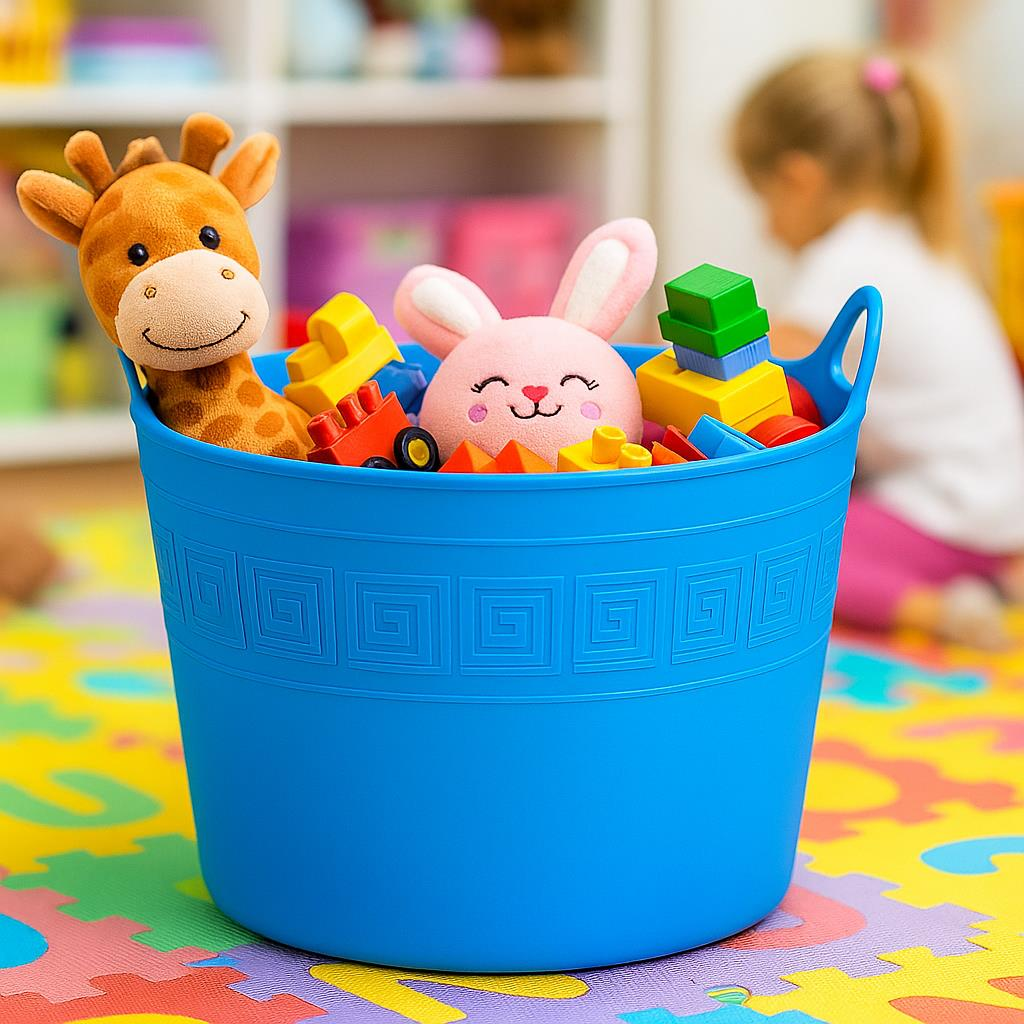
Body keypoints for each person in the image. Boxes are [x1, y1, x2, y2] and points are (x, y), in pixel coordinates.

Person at [733, 51, 1024, 648]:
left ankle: (936, 610)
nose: (767, 228)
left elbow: (764, 383)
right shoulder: (910, 245)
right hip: (994, 514)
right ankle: (988, 580)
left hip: (946, 512)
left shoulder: (846, 259)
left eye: (766, 200)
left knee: (780, 550)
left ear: (800, 180)